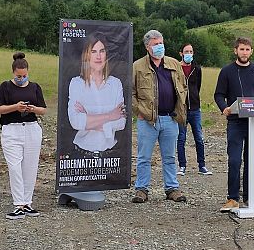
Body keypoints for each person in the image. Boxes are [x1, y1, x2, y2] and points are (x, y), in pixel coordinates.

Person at [214, 37, 254, 212]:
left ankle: (250, 196)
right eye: (241, 49)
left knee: (252, 160)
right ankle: (232, 198)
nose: (244, 52)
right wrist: (224, 108)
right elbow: (219, 94)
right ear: (235, 51)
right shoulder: (227, 71)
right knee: (235, 160)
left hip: (253, 123)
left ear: (251, 51)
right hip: (235, 122)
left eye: (247, 49)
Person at [131, 30, 188, 204]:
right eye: (155, 44)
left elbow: (183, 87)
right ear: (148, 47)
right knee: (144, 157)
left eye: (161, 43)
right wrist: (139, 111)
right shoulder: (137, 66)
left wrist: (180, 108)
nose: (159, 47)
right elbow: (129, 92)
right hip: (147, 121)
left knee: (170, 157)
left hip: (170, 118)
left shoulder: (173, 64)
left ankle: (172, 188)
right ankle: (141, 190)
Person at [0, 52, 47, 220]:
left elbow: (43, 110)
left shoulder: (35, 87)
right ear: (13, 73)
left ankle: (27, 202)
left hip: (31, 128)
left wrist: (31, 109)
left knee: (30, 167)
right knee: (15, 167)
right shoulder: (5, 87)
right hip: (11, 129)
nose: (22, 78)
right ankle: (18, 203)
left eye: (24, 76)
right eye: (19, 76)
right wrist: (15, 107)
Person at [67, 33, 126, 154]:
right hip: (82, 153)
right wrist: (110, 116)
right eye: (93, 51)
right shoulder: (76, 83)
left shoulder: (116, 84)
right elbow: (75, 122)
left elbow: (121, 122)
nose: (98, 56)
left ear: (106, 55)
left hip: (111, 154)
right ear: (86, 56)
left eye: (102, 51)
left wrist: (88, 118)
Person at [177, 43, 212, 176]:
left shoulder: (197, 69)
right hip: (182, 109)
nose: (189, 54)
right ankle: (182, 166)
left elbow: (198, 86)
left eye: (191, 51)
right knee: (181, 138)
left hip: (195, 109)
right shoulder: (176, 68)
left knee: (199, 137)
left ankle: (202, 165)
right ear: (181, 53)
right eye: (186, 51)